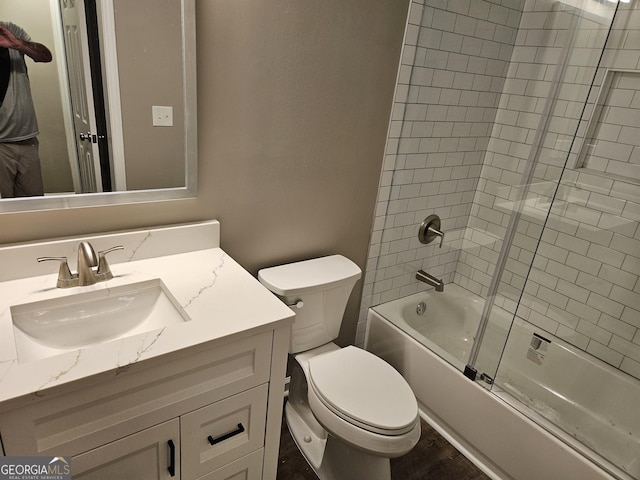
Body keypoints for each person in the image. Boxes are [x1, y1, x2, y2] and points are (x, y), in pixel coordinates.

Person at [0, 21, 52, 198]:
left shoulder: (10, 30)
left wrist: (18, 44)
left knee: (34, 204)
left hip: (27, 139)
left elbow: (45, 56)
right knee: (4, 212)